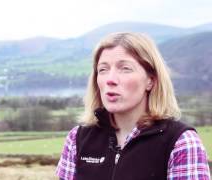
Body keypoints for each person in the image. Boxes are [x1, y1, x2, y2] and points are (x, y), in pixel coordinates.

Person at [56, 32, 210, 180]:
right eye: (103, 69)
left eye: (125, 69)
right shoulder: (77, 139)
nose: (110, 79)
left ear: (151, 80)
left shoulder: (180, 142)